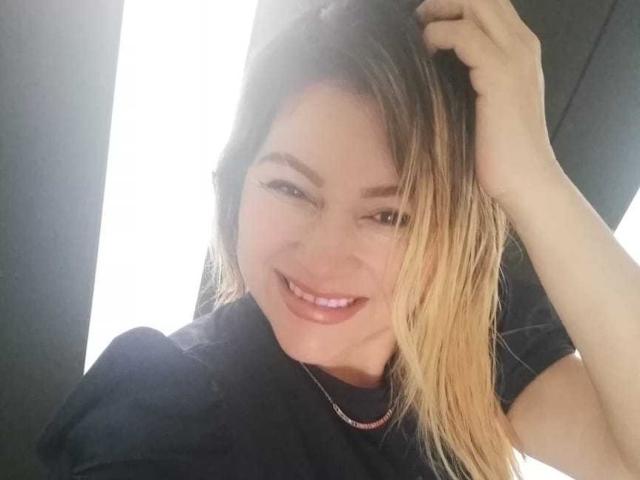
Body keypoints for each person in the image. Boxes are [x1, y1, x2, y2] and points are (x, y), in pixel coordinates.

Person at [35, 1, 578, 479]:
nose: (323, 256)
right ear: (238, 184)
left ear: (447, 237)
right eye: (290, 188)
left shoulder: (475, 339)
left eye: (389, 215)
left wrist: (535, 176)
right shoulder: (170, 406)